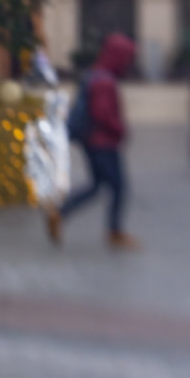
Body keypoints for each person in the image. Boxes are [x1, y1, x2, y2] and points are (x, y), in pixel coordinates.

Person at [46, 32, 138, 250]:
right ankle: (114, 232)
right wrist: (120, 130)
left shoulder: (95, 74)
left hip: (93, 140)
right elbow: (102, 113)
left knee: (98, 185)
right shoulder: (105, 81)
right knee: (118, 187)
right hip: (103, 142)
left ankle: (60, 213)